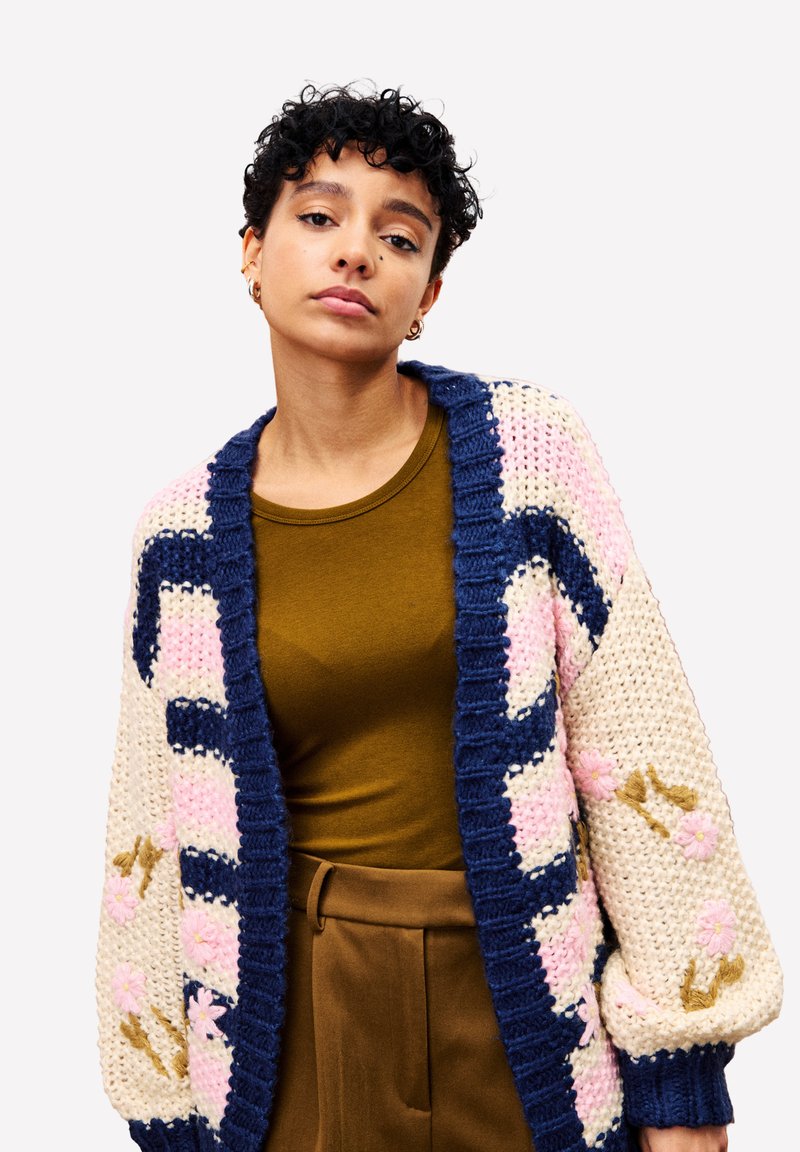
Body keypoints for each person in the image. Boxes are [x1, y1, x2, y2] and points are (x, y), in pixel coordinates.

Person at [95, 84, 782, 1152]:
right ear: (252, 253)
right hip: (292, 1034)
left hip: (520, 1012)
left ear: (428, 293)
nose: (355, 251)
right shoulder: (179, 537)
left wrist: (681, 1077)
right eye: (318, 216)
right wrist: (166, 1109)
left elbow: (640, 752)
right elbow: (151, 829)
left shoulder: (529, 457)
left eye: (399, 236)